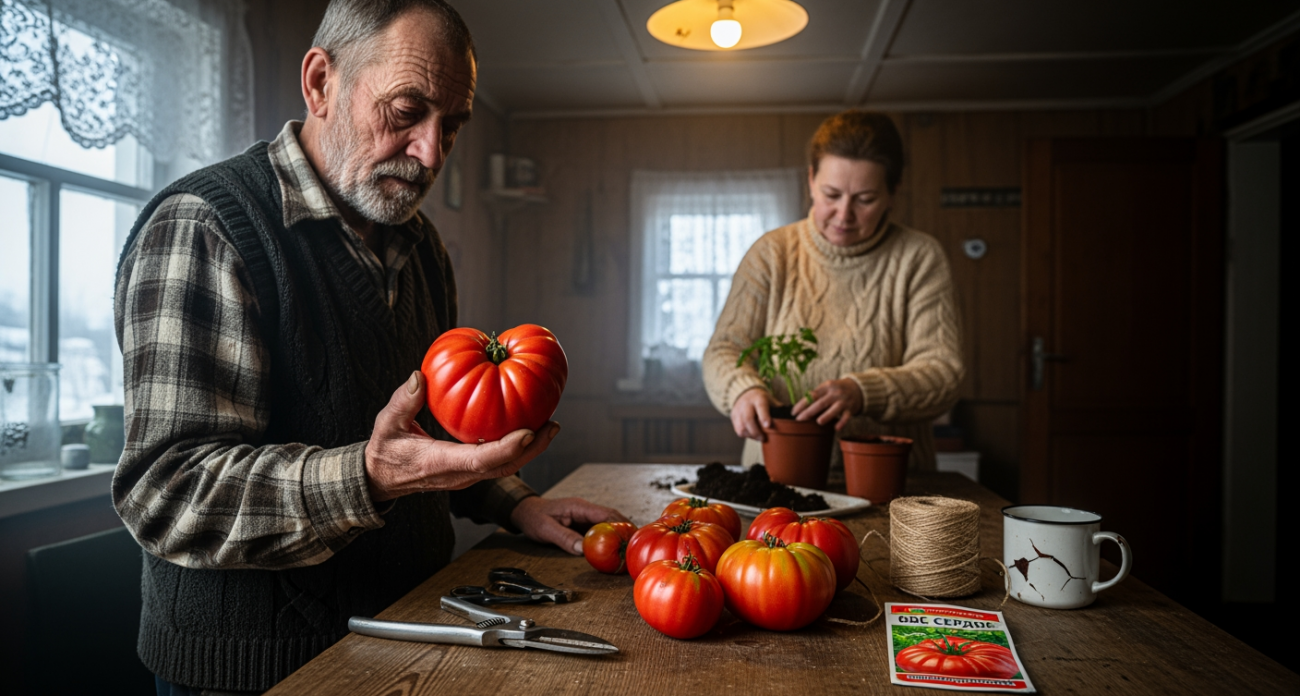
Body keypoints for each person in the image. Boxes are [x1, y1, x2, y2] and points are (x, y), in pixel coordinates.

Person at [112, 2, 625, 693]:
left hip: (411, 639)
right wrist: (372, 477)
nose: (432, 152)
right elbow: (165, 494)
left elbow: (437, 429)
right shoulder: (205, 225)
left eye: (453, 126)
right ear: (320, 82)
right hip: (250, 673)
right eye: (406, 111)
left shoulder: (422, 249)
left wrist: (513, 502)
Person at [702, 110, 963, 475]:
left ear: (893, 193)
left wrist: (863, 391)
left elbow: (943, 374)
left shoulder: (919, 257)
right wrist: (742, 389)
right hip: (777, 477)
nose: (844, 215)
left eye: (866, 199)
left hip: (889, 483)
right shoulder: (771, 253)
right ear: (810, 180)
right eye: (831, 194)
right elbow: (723, 350)